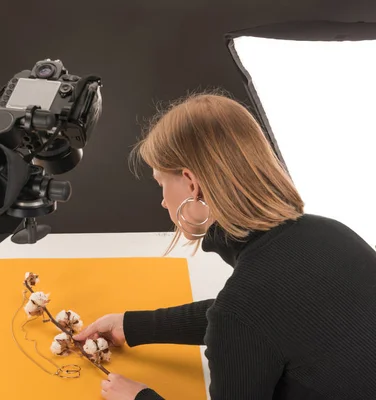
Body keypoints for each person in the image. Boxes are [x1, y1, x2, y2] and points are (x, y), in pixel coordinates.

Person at [73, 92, 376, 400]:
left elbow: (245, 318)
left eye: (161, 183)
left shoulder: (244, 309)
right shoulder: (333, 233)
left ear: (192, 184)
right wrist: (135, 326)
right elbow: (266, 319)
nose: (163, 201)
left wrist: (140, 397)